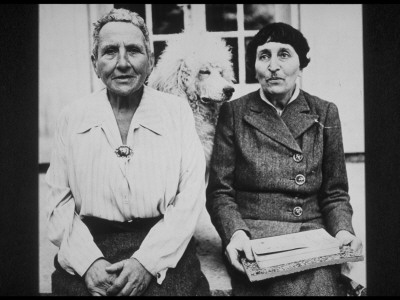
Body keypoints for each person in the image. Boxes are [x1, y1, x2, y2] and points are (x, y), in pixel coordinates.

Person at [46, 8, 210, 296]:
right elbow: (59, 203)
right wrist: (89, 263)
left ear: (150, 60)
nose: (122, 63)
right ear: (94, 62)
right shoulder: (72, 117)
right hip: (92, 244)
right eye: (110, 52)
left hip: (164, 248)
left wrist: (146, 263)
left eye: (133, 50)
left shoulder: (175, 112)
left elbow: (190, 198)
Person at [206, 22, 363, 296]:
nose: (273, 66)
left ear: (300, 65)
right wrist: (236, 234)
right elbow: (220, 192)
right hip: (253, 237)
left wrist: (342, 231)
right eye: (264, 55)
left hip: (311, 235)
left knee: (319, 287)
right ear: (254, 67)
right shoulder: (234, 113)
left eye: (284, 54)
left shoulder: (324, 113)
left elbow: (335, 193)